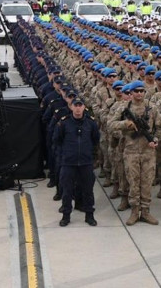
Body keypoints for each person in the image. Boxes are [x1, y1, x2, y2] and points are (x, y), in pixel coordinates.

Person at [53, 96, 100, 227]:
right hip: (69, 163)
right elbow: (57, 140)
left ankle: (89, 215)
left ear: (84, 107)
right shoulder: (64, 122)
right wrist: (64, 156)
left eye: (80, 105)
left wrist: (92, 157)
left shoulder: (91, 123)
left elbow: (95, 139)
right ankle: (66, 216)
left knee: (88, 191)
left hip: (85, 162)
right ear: (71, 107)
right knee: (67, 191)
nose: (78, 108)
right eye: (76, 105)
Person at [118, 81, 158, 225]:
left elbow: (159, 127)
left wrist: (155, 139)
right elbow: (111, 124)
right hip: (131, 151)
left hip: (148, 152)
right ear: (131, 92)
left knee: (147, 182)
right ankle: (135, 211)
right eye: (136, 91)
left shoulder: (152, 108)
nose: (139, 94)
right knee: (133, 182)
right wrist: (125, 124)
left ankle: (145, 212)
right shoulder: (124, 108)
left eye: (142, 91)